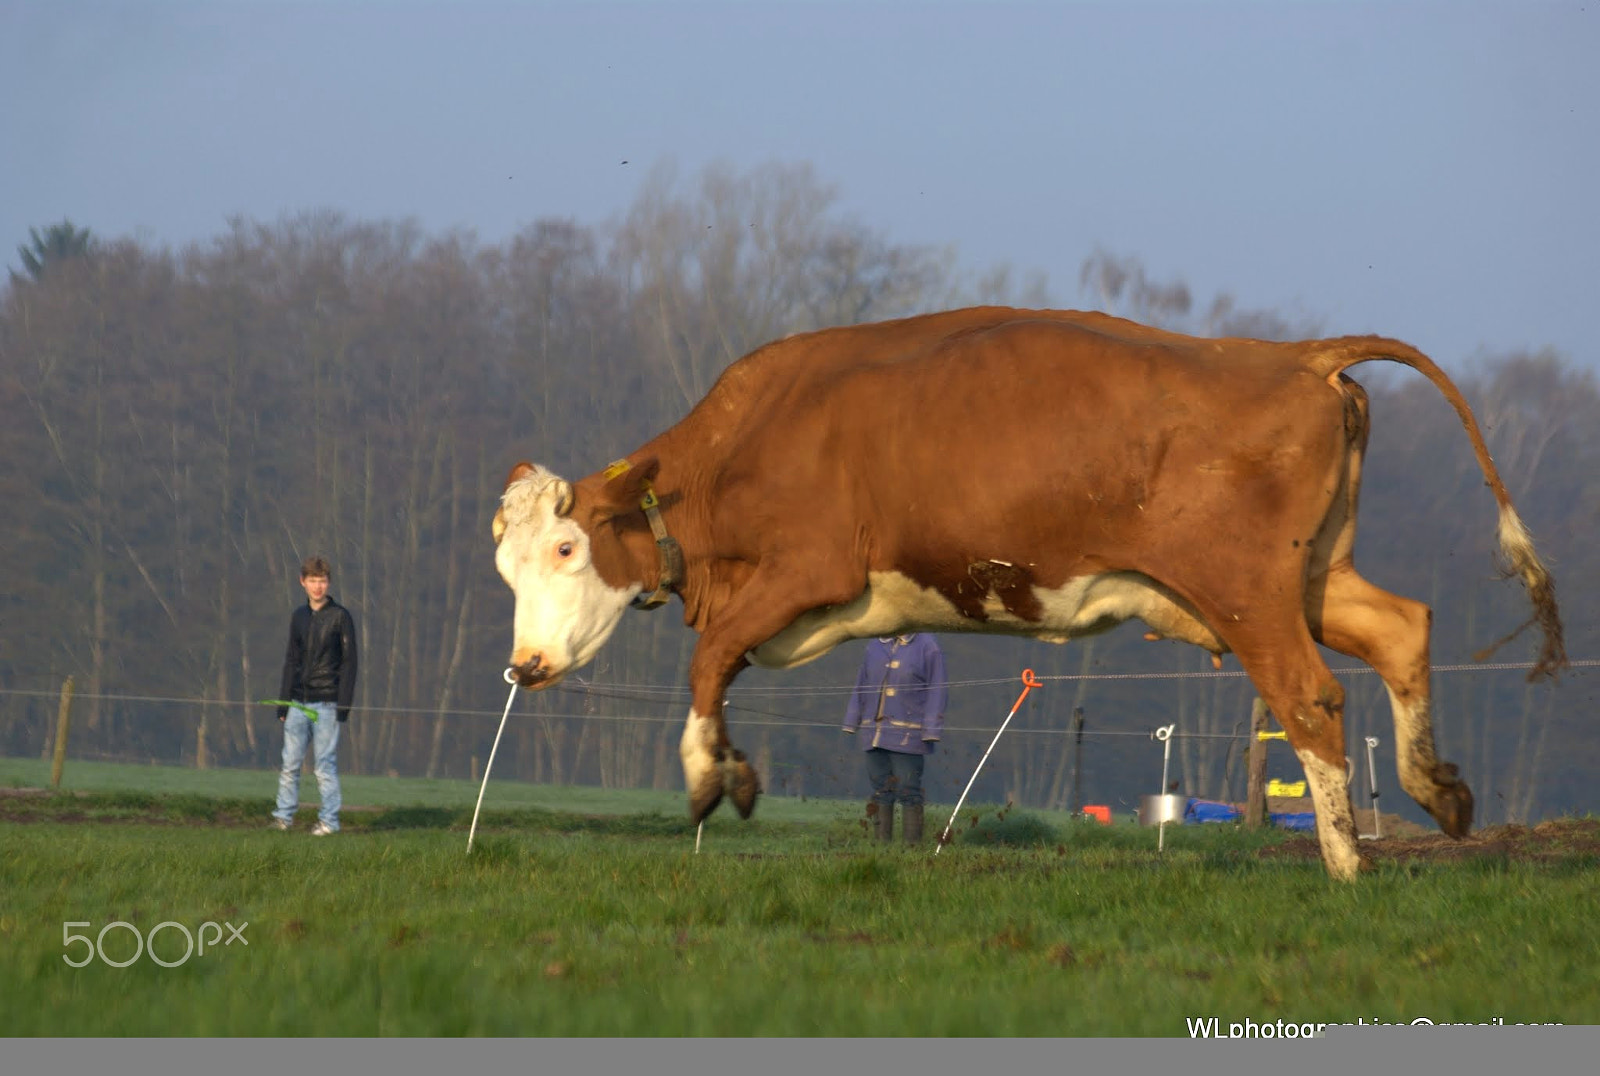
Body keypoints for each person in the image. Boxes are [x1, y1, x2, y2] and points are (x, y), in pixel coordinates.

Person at [271, 555, 357, 835]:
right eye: (312, 581)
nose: (317, 587)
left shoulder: (341, 617)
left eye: (322, 581)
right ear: (302, 582)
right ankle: (283, 818)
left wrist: (344, 704)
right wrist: (284, 702)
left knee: (324, 767)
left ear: (328, 583)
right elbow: (291, 660)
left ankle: (329, 822)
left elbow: (349, 662)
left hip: (328, 702)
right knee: (289, 765)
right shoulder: (298, 617)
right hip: (297, 702)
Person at [842, 633, 946, 844]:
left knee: (909, 791)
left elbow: (938, 690)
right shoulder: (874, 645)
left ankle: (911, 850)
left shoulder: (928, 646)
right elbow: (861, 684)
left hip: (909, 736)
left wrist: (931, 729)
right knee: (881, 791)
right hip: (874, 733)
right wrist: (852, 720)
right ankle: (882, 849)